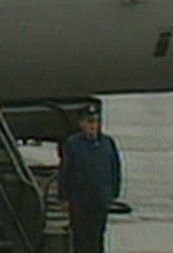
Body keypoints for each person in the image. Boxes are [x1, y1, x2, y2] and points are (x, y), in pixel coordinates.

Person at [59, 105, 123, 253]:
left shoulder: (107, 143)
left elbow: (115, 169)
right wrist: (63, 197)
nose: (92, 125)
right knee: (80, 238)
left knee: (97, 238)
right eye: (89, 122)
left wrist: (113, 193)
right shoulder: (73, 144)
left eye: (95, 122)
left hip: (99, 200)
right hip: (80, 200)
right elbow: (65, 170)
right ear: (82, 124)